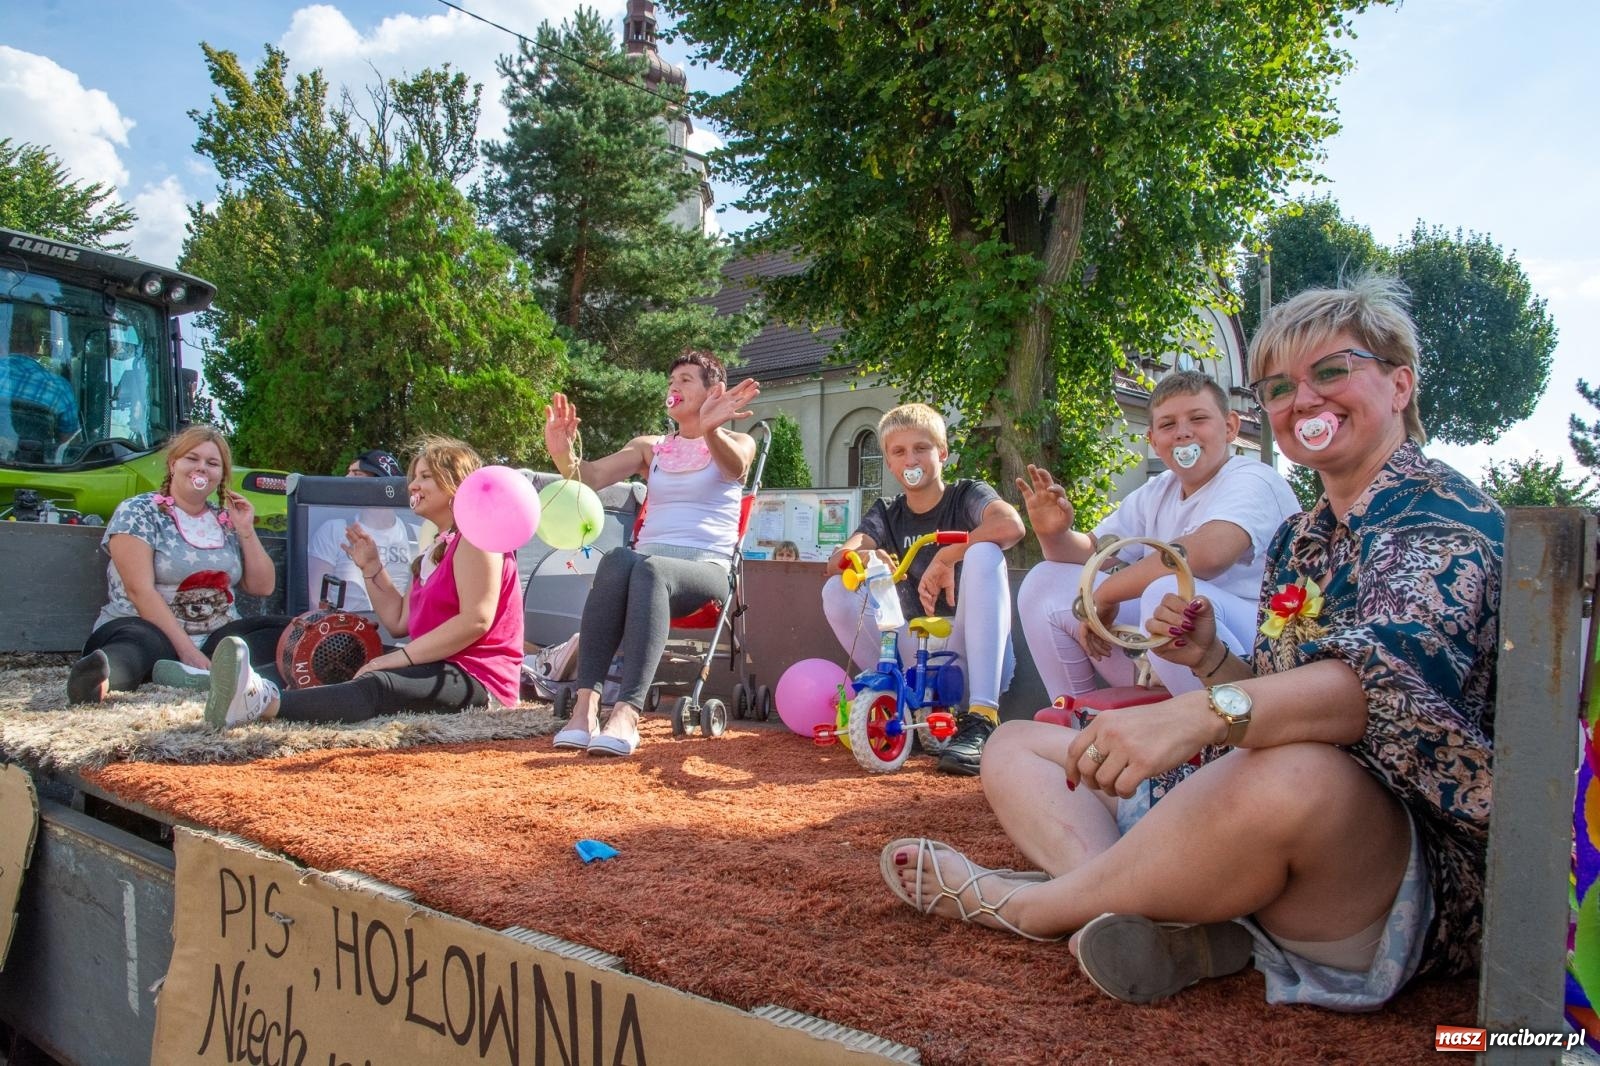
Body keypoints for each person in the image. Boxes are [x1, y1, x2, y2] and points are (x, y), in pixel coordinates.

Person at [880, 276, 1502, 1013]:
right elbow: (1262, 684)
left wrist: (1196, 715)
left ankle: (1033, 908)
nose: (1303, 401)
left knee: (1294, 774)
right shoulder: (1305, 535)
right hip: (1257, 818)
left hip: (1389, 865)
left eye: (1332, 371)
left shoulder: (1442, 516)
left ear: (1400, 385)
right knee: (1018, 744)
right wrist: (1210, 660)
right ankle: (1137, 908)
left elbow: (1375, 688)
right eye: (1279, 388)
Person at [1016, 371, 1299, 704]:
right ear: (1152, 440)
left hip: (1263, 650)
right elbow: (1095, 554)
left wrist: (1106, 595)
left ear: (1230, 427)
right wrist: (1054, 533)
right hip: (1179, 652)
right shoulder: (1159, 489)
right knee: (1044, 580)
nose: (1183, 433)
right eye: (1168, 425)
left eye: (1198, 418)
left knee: (1167, 592)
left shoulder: (1254, 479)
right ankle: (1076, 722)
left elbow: (1207, 554)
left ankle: (1213, 737)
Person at [204, 435, 525, 727]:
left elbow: (475, 621)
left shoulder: (477, 537)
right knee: (330, 650)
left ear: (458, 484)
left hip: (479, 678)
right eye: (414, 476)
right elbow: (400, 622)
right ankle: (238, 682)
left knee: (378, 684)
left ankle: (264, 703)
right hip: (434, 662)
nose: (413, 485)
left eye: (425, 476)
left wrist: (393, 660)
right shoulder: (434, 548)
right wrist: (371, 567)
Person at [544, 350, 760, 757]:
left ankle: (626, 712)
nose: (673, 387)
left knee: (649, 569)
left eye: (685, 380)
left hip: (706, 569)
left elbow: (734, 470)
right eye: (671, 380)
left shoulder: (737, 441)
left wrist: (712, 430)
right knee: (618, 559)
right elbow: (588, 477)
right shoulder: (651, 447)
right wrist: (561, 451)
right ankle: (586, 706)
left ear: (713, 390)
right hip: (648, 569)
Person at [822, 403, 1025, 776]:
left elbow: (1010, 525)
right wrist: (863, 556)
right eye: (899, 452)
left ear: (942, 453)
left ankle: (981, 715)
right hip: (913, 649)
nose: (910, 459)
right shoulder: (886, 512)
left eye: (921, 448)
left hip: (969, 654)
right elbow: (839, 558)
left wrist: (950, 554)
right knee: (837, 590)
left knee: (983, 553)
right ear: (888, 461)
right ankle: (896, 702)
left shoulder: (966, 495)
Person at [66, 424, 283, 703]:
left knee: (284, 630)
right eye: (192, 459)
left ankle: (209, 673)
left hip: (216, 635)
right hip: (148, 629)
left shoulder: (225, 520)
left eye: (212, 463)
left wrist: (246, 530)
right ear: (173, 464)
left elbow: (263, 586)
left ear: (221, 476)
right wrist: (187, 651)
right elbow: (139, 590)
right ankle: (98, 681)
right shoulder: (139, 511)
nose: (202, 468)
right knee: (137, 646)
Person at [305, 448, 415, 614]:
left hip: (397, 632)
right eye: (348, 473)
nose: (347, 480)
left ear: (383, 483)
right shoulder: (335, 530)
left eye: (357, 474)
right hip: (344, 631)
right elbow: (315, 600)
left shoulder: (416, 534)